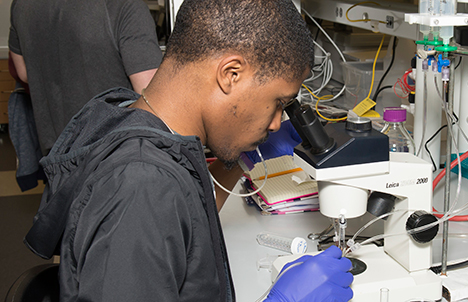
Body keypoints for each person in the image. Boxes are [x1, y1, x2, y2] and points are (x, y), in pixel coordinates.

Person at [22, 0, 354, 301]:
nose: (276, 123)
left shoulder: (137, 121)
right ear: (231, 74)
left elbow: (186, 210)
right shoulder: (141, 186)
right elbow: (157, 204)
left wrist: (245, 157)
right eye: (278, 103)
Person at [8, 0, 163, 154]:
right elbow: (153, 97)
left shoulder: (22, 4)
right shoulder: (125, 6)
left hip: (57, 157)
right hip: (113, 158)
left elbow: (23, 73)